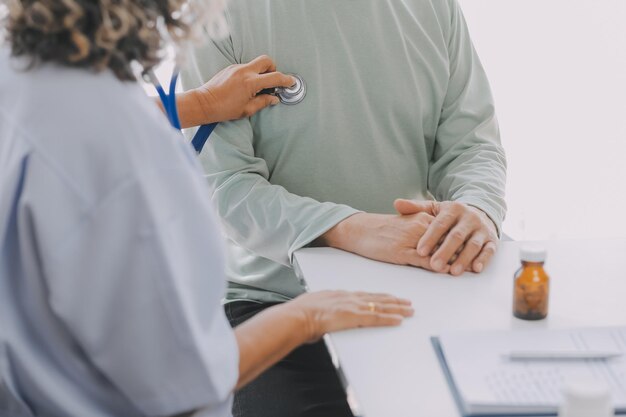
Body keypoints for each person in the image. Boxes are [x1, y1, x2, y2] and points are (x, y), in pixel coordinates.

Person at [0, 0, 415, 415]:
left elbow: (82, 119)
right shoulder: (129, 164)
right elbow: (182, 383)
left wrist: (201, 104)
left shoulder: (19, 66)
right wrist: (305, 315)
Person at [181, 0, 507, 416]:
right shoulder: (215, 14)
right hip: (274, 303)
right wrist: (351, 228)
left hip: (422, 286)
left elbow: (472, 144)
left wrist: (476, 207)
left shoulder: (434, 7)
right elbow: (225, 187)